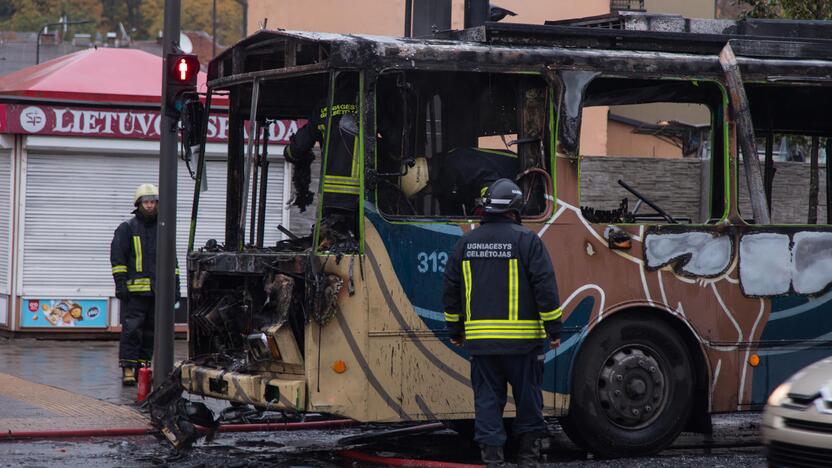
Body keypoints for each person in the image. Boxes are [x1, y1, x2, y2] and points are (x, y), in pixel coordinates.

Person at [442, 178, 562, 467]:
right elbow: (544, 287)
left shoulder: (465, 243)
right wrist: (553, 329)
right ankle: (528, 457)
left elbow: (450, 290)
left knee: (487, 402)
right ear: (514, 208)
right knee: (529, 401)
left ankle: (492, 459)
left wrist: (455, 331)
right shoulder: (527, 241)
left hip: (482, 346)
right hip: (523, 346)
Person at [110, 183, 180, 386]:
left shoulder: (164, 228)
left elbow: (172, 262)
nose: (149, 206)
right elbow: (118, 258)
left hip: (157, 292)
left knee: (150, 332)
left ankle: (143, 368)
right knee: (132, 330)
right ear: (138, 204)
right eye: (146, 202)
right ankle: (128, 369)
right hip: (134, 293)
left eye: (152, 202)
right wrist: (120, 283)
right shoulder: (128, 228)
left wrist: (175, 287)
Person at [284, 75, 360, 243]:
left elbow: (299, 147)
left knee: (332, 244)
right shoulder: (368, 104)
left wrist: (289, 152)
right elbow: (392, 140)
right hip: (362, 198)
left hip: (330, 200)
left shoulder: (324, 107)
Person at [400, 147, 519, 216]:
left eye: (423, 192)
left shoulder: (456, 162)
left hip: (519, 178)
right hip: (509, 197)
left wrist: (486, 206)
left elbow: (489, 179)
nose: (427, 194)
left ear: (426, 183)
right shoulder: (444, 186)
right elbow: (452, 217)